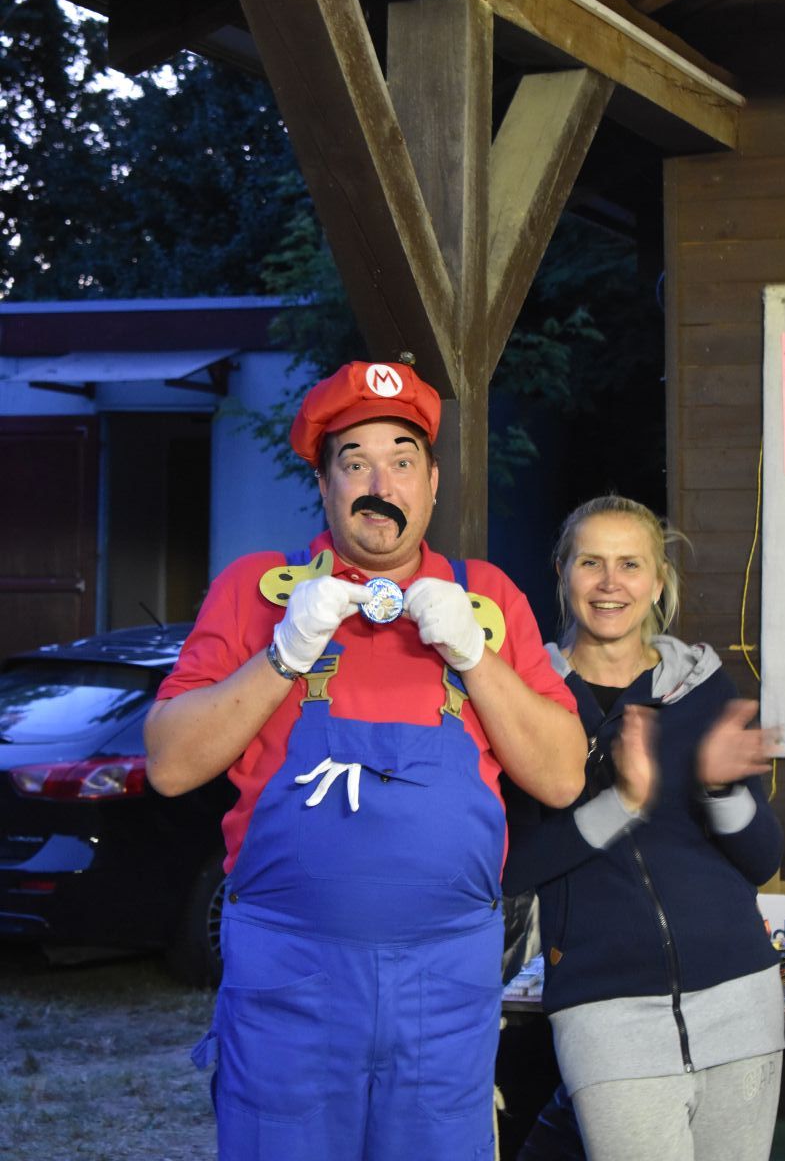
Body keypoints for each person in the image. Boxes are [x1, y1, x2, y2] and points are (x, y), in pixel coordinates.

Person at [144, 358, 586, 1161]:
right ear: (324, 485)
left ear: (433, 483)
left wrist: (474, 655)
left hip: (446, 985)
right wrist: (284, 653)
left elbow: (560, 776)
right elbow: (170, 765)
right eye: (355, 462)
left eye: (402, 460)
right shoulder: (258, 591)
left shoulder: (488, 599)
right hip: (289, 979)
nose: (381, 483)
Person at [507, 494, 785, 1161]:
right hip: (606, 1013)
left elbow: (761, 859)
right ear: (563, 573)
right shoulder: (527, 698)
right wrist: (623, 803)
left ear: (657, 583)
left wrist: (719, 788)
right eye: (591, 562)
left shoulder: (703, 689)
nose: (611, 583)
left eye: (630, 564)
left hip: (741, 1000)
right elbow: (515, 865)